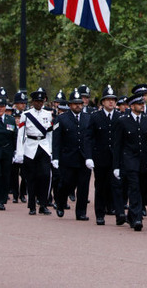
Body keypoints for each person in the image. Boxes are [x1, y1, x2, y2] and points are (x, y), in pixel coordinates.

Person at [113, 94, 147, 231]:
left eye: (143, 103)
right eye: (139, 103)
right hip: (130, 159)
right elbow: (117, 145)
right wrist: (116, 166)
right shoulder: (122, 121)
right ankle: (137, 218)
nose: (142, 105)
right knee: (134, 187)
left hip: (145, 160)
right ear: (132, 106)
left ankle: (133, 213)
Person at [52, 89, 93, 220]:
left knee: (83, 185)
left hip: (84, 157)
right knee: (66, 183)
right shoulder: (61, 118)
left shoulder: (88, 118)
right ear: (69, 105)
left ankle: (81, 212)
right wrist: (56, 158)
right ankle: (60, 203)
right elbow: (56, 140)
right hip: (68, 157)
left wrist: (91, 156)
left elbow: (91, 138)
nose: (78, 105)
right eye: (75, 103)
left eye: (80, 103)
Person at [20, 87, 56, 216]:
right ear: (32, 102)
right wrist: (20, 152)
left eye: (41, 101)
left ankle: (43, 204)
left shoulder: (48, 114)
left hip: (44, 147)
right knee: (31, 178)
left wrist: (52, 151)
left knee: (45, 176)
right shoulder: (26, 114)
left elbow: (50, 133)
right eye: (36, 101)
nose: (39, 104)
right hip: (30, 147)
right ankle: (31, 206)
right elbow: (21, 134)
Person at [89, 85, 122, 225]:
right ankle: (100, 213)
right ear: (102, 102)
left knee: (117, 185)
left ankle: (119, 212)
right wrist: (89, 156)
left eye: (113, 100)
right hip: (100, 157)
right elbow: (89, 137)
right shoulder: (95, 117)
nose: (111, 102)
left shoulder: (120, 117)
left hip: (115, 157)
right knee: (101, 186)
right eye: (108, 100)